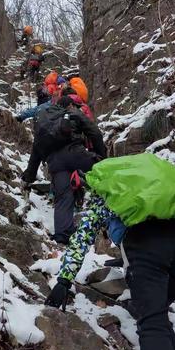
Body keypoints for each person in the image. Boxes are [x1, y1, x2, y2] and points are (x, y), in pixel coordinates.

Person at [45, 153, 175, 350]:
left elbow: (82, 239)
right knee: (157, 317)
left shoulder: (104, 198)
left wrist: (63, 280)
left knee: (151, 324)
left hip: (144, 245)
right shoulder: (142, 192)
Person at [21, 95, 107, 244]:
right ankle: (118, 214)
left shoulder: (44, 124)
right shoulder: (71, 114)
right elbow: (95, 133)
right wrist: (102, 158)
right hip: (75, 153)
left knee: (63, 197)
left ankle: (62, 234)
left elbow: (35, 154)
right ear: (70, 105)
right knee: (105, 174)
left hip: (55, 164)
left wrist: (28, 178)